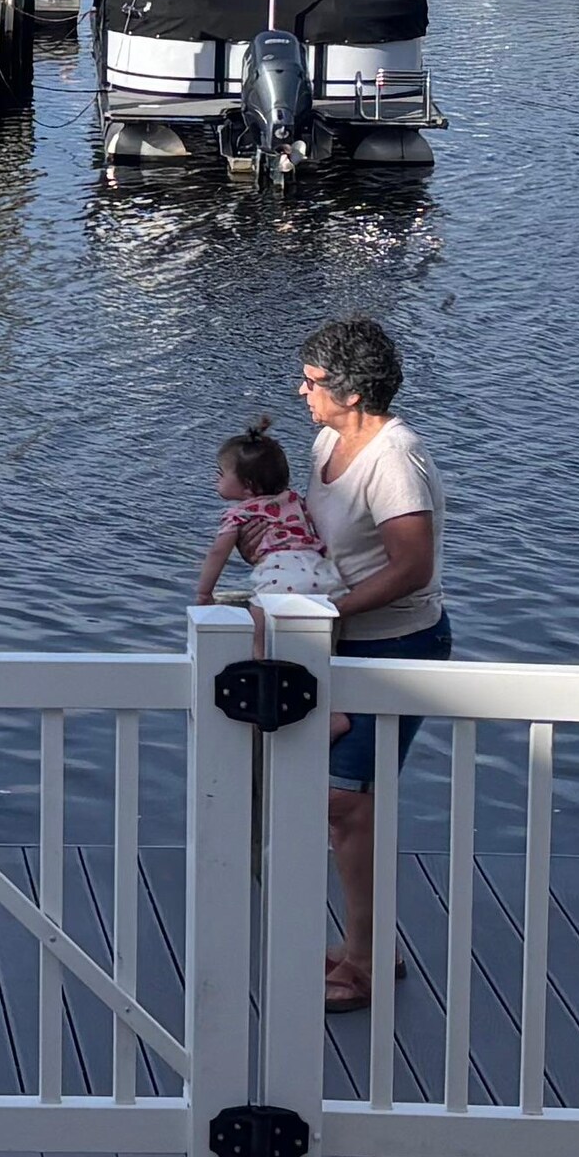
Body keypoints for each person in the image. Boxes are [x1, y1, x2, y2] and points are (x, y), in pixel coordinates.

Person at [297, 312, 447, 1012]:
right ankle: (366, 948)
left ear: (353, 392)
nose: (303, 392)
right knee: (344, 807)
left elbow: (412, 567)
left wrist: (330, 610)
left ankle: (363, 961)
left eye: (314, 382)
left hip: (396, 647)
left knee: (344, 805)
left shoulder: (395, 459)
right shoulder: (327, 440)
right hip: (340, 642)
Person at [193, 420, 337, 607]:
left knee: (259, 608)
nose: (216, 477)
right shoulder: (294, 500)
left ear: (248, 486)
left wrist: (205, 593)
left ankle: (258, 638)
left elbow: (218, 553)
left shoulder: (239, 515)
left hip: (280, 574)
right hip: (321, 570)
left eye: (221, 473)